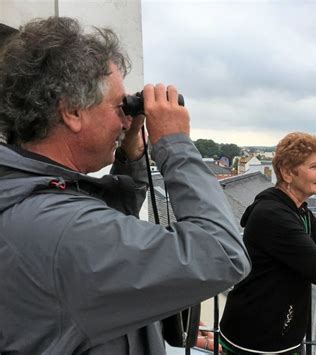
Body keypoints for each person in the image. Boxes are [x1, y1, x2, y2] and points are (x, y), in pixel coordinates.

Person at [0, 17, 250, 354]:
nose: (126, 118)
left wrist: (131, 157)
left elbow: (109, 232)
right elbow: (223, 254)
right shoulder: (62, 229)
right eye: (121, 106)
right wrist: (174, 144)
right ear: (73, 111)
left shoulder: (33, 193)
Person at [219, 132, 316, 354]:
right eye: (314, 167)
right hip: (257, 340)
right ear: (288, 173)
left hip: (277, 336)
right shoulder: (273, 215)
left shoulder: (296, 210)